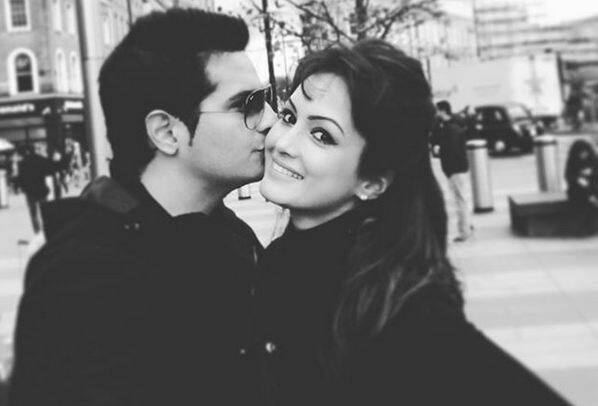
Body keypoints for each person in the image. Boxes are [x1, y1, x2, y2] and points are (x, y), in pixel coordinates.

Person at [257, 40, 569, 405]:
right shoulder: (279, 260)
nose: (284, 143)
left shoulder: (398, 311)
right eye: (289, 117)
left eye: (322, 135)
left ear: (372, 182)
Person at [9, 9, 276, 405]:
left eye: (265, 101)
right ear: (166, 132)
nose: (270, 119)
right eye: (247, 105)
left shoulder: (229, 236)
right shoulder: (84, 281)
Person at [431, 99, 474, 242]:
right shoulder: (452, 125)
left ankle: (464, 232)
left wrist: (440, 151)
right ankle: (468, 226)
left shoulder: (451, 129)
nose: (435, 113)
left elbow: (452, 150)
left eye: (437, 110)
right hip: (458, 168)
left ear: (443, 111)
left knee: (460, 200)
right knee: (462, 199)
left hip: (455, 169)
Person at [15, 144, 55, 234]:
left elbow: (20, 177)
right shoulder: (40, 159)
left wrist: (20, 187)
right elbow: (49, 171)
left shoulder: (23, 163)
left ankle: (37, 231)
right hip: (41, 189)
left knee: (33, 213)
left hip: (30, 191)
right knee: (44, 211)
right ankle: (47, 229)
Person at [565, 139, 598, 209]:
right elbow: (568, 175)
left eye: (585, 153)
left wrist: (591, 172)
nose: (583, 155)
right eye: (581, 153)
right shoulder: (572, 161)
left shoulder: (593, 159)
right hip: (578, 188)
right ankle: (591, 199)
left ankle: (592, 199)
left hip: (592, 185)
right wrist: (577, 179)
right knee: (581, 187)